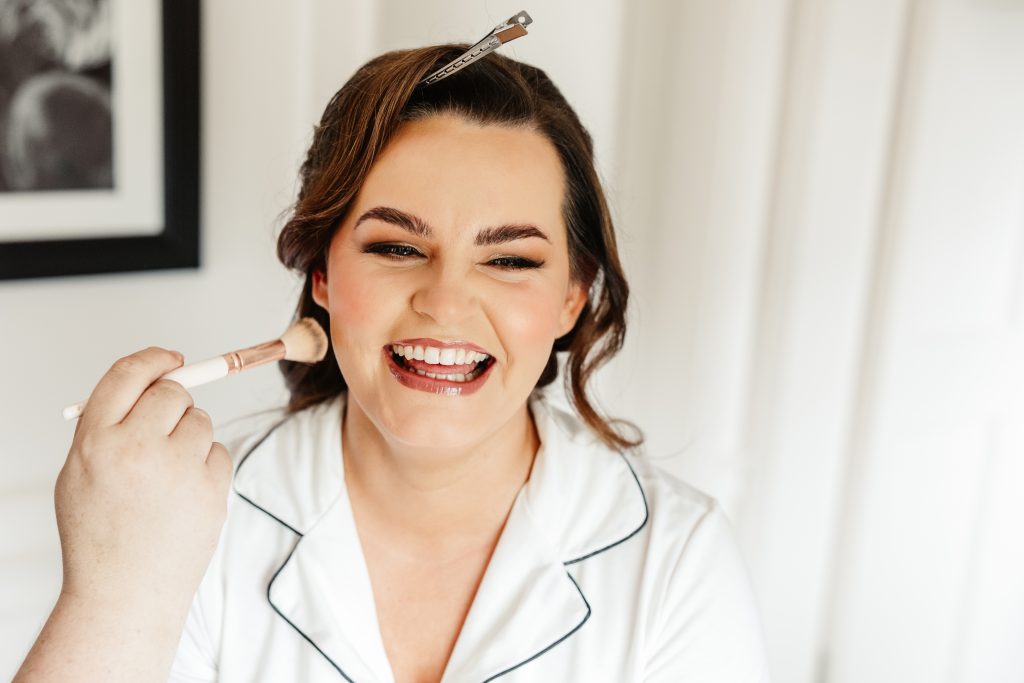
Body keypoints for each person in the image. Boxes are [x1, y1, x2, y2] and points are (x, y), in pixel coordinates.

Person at [14, 44, 770, 682]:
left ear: (573, 297)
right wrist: (107, 594)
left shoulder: (676, 558)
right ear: (322, 274)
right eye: (398, 247)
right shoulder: (192, 519)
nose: (445, 303)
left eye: (509, 259)